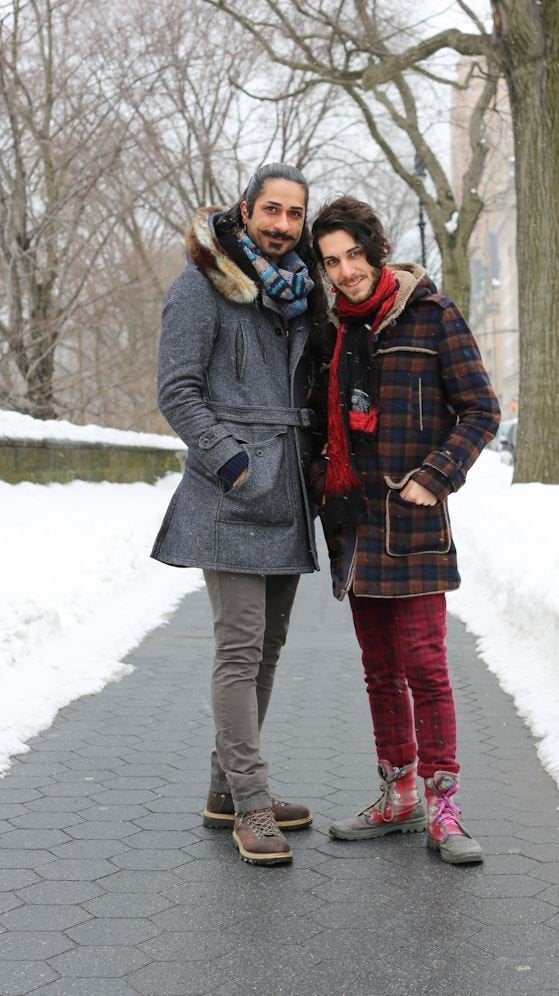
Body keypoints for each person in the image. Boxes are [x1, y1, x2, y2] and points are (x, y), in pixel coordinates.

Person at [309, 196, 500, 864]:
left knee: (426, 666)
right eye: (331, 261)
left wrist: (436, 475)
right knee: (380, 670)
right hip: (356, 525)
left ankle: (444, 806)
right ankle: (398, 793)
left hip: (413, 522)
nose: (345, 271)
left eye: (354, 255)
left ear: (376, 250)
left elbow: (480, 409)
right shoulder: (329, 328)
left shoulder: (432, 314)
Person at [151, 163, 327, 867]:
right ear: (245, 210)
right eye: (272, 211)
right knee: (239, 647)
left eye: (295, 214)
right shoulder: (201, 285)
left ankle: (225, 790)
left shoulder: (299, 294)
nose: (283, 225)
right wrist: (232, 462)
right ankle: (252, 803)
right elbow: (176, 389)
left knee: (270, 646)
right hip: (231, 494)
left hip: (287, 494)